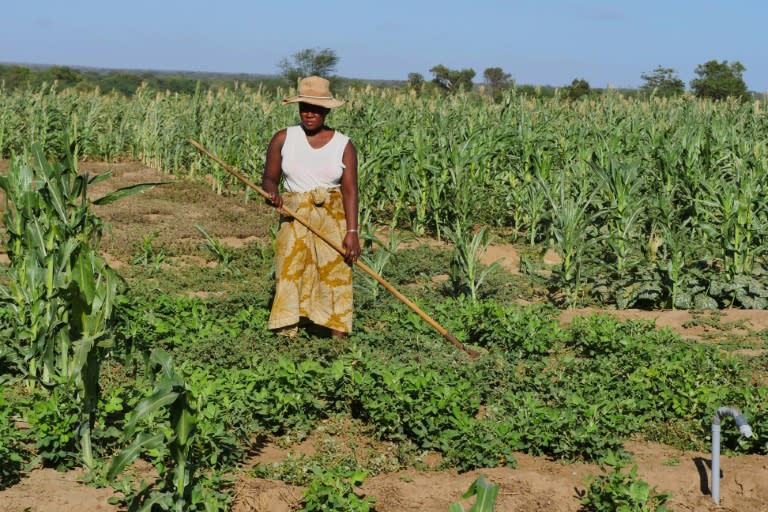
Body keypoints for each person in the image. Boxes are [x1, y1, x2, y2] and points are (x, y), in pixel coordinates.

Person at [261, 76, 360, 338]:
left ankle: (336, 334)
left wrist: (351, 232)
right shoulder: (284, 138)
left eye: (316, 109)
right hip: (294, 215)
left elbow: (350, 190)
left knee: (335, 274)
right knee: (290, 270)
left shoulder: (344, 144)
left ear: (326, 110)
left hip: (332, 218)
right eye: (305, 107)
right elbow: (269, 178)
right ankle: (288, 329)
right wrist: (272, 193)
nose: (309, 114)